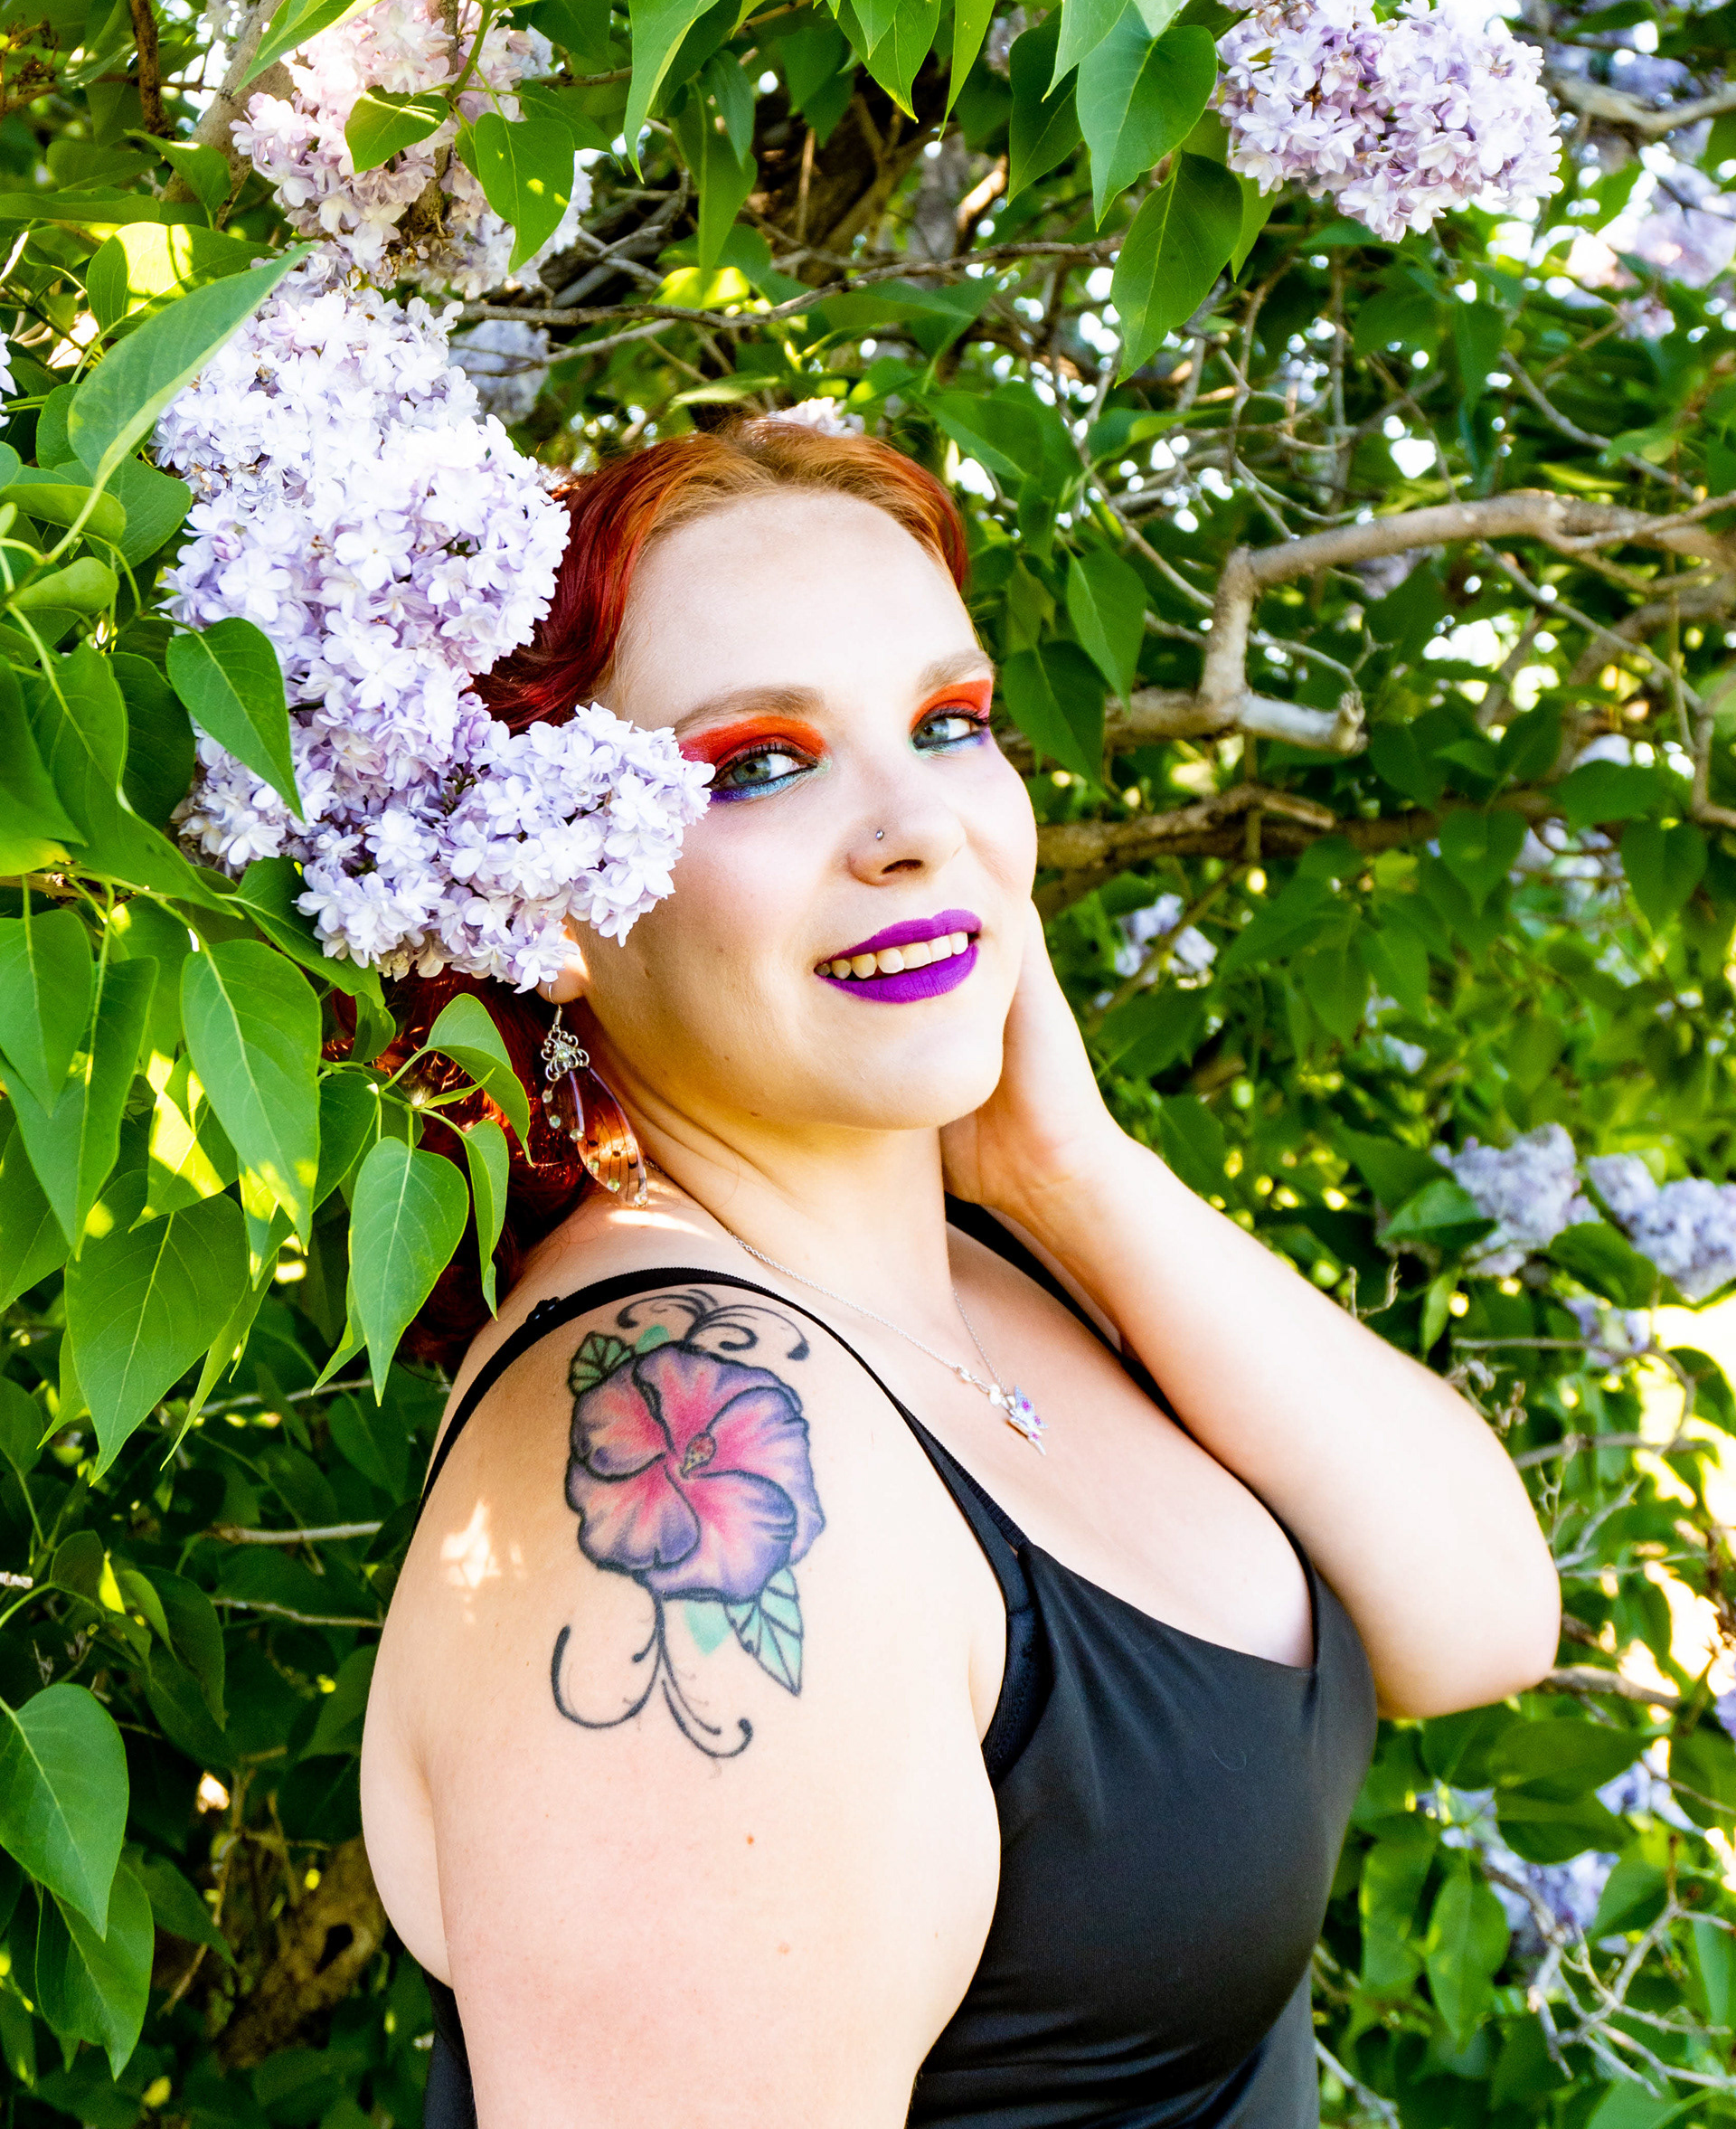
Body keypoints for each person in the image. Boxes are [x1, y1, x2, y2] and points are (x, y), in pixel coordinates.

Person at [359, 418, 1561, 2129]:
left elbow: (1483, 1617)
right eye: (759, 763)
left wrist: (1075, 1174)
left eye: (949, 724)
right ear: (540, 900)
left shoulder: (992, 1266)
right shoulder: (685, 1447)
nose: (917, 824)